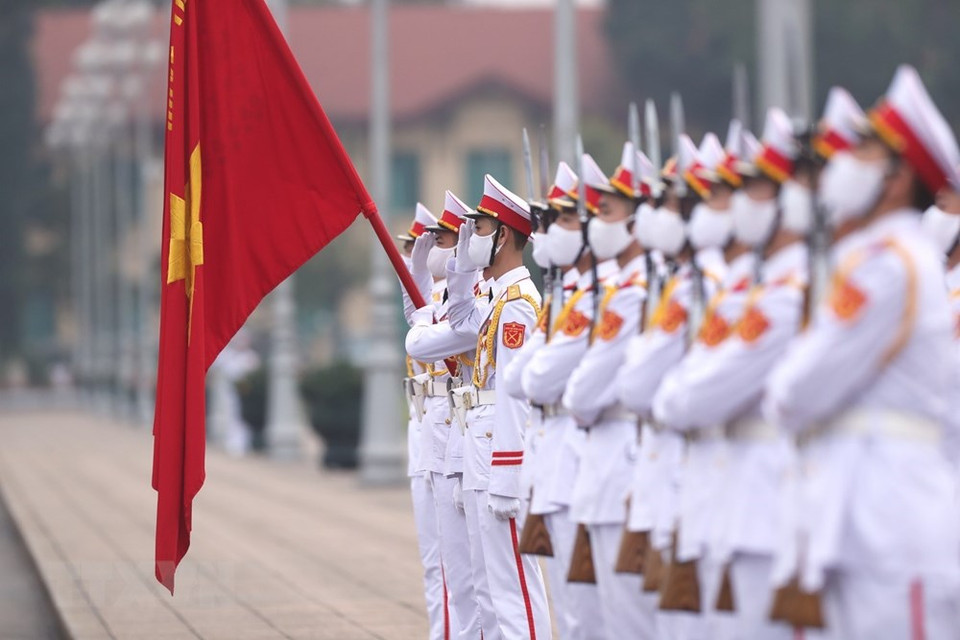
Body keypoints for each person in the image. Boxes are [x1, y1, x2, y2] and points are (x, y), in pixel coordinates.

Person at [765, 65, 960, 639]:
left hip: (893, 523)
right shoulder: (875, 255)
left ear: (898, 178)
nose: (845, 165)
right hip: (864, 513)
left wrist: (788, 393)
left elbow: (798, 387)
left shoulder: (888, 263)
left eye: (866, 155)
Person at [446, 175, 551, 640]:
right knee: (487, 589)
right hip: (480, 450)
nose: (474, 238)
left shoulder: (519, 303)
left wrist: (508, 474)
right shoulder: (497, 298)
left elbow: (513, 393)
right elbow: (456, 320)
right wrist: (461, 271)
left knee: (514, 592)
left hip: (499, 455)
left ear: (504, 235)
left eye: (482, 230)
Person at [562, 145, 656, 638]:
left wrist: (582, 395)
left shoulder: (636, 290)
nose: (597, 222)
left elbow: (582, 389)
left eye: (608, 211)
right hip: (603, 468)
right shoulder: (619, 288)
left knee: (629, 621)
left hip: (626, 463)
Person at [398, 202, 453, 640]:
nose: (409, 258)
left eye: (417, 248)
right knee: (434, 562)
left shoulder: (450, 302)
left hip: (451, 426)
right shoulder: (429, 302)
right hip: (424, 423)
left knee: (456, 565)